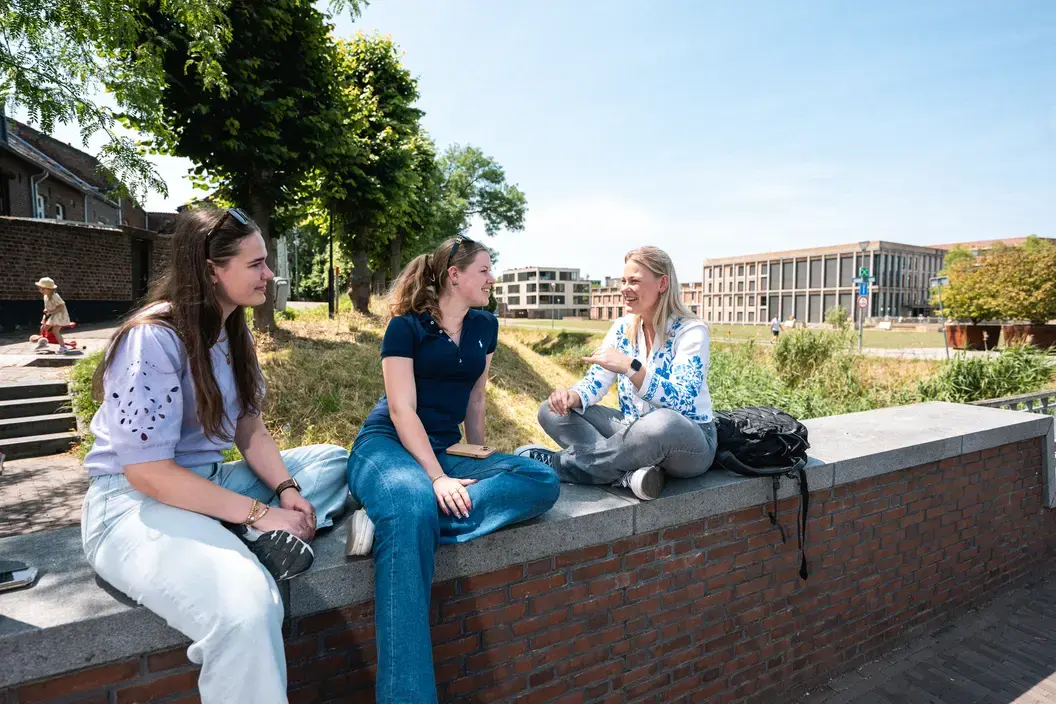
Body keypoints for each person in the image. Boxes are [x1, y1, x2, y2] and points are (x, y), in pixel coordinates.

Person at [80, 207, 350, 704]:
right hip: (134, 503)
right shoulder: (152, 339)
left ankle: (243, 536)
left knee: (332, 462)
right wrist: (262, 513)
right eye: (256, 264)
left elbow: (250, 428)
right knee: (246, 609)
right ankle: (248, 538)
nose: (269, 274)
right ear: (211, 270)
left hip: (207, 483)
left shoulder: (232, 332)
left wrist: (287, 490)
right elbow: (148, 473)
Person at [346, 235, 561, 703]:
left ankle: (394, 524)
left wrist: (477, 458)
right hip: (388, 446)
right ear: (454, 275)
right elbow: (401, 410)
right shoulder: (406, 327)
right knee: (411, 501)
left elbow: (476, 399)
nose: (492, 278)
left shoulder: (485, 325)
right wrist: (437, 479)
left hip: (446, 448)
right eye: (484, 270)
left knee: (539, 477)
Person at [515, 246, 717, 501]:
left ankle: (560, 465)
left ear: (662, 283)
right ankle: (630, 476)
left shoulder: (691, 331)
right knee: (551, 411)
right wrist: (572, 397)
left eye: (634, 281)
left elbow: (682, 401)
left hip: (687, 440)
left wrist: (631, 368)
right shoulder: (622, 328)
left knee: (661, 422)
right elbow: (596, 380)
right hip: (632, 429)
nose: (624, 289)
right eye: (623, 281)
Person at [34, 277, 72, 353]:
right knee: (43, 328)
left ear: (50, 289)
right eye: (40, 289)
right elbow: (48, 306)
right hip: (52, 315)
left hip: (60, 315)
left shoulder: (55, 296)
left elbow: (61, 306)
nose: (40, 290)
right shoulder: (45, 296)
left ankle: (63, 347)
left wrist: (52, 311)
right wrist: (46, 310)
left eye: (43, 289)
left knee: (55, 331)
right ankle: (43, 342)